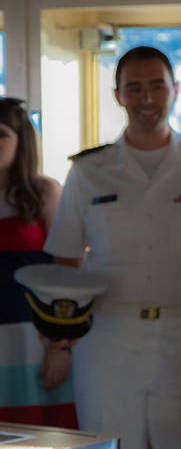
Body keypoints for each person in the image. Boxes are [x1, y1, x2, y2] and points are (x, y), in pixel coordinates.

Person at [43, 46, 181, 449]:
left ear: (175, 89)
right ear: (118, 96)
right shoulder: (89, 169)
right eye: (134, 88)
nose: (146, 98)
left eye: (156, 86)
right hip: (107, 339)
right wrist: (60, 342)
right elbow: (66, 261)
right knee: (110, 445)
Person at [0, 97, 74, 427]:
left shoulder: (45, 193)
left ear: (22, 141)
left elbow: (67, 274)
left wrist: (62, 346)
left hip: (33, 342)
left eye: (0, 134)